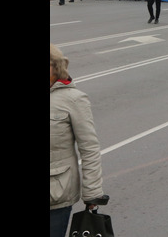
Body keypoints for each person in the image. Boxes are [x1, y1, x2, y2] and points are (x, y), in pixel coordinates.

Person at [50, 44, 105, 237]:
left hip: (55, 195)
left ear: (55, 67)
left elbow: (89, 148)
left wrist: (92, 193)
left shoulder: (73, 99)